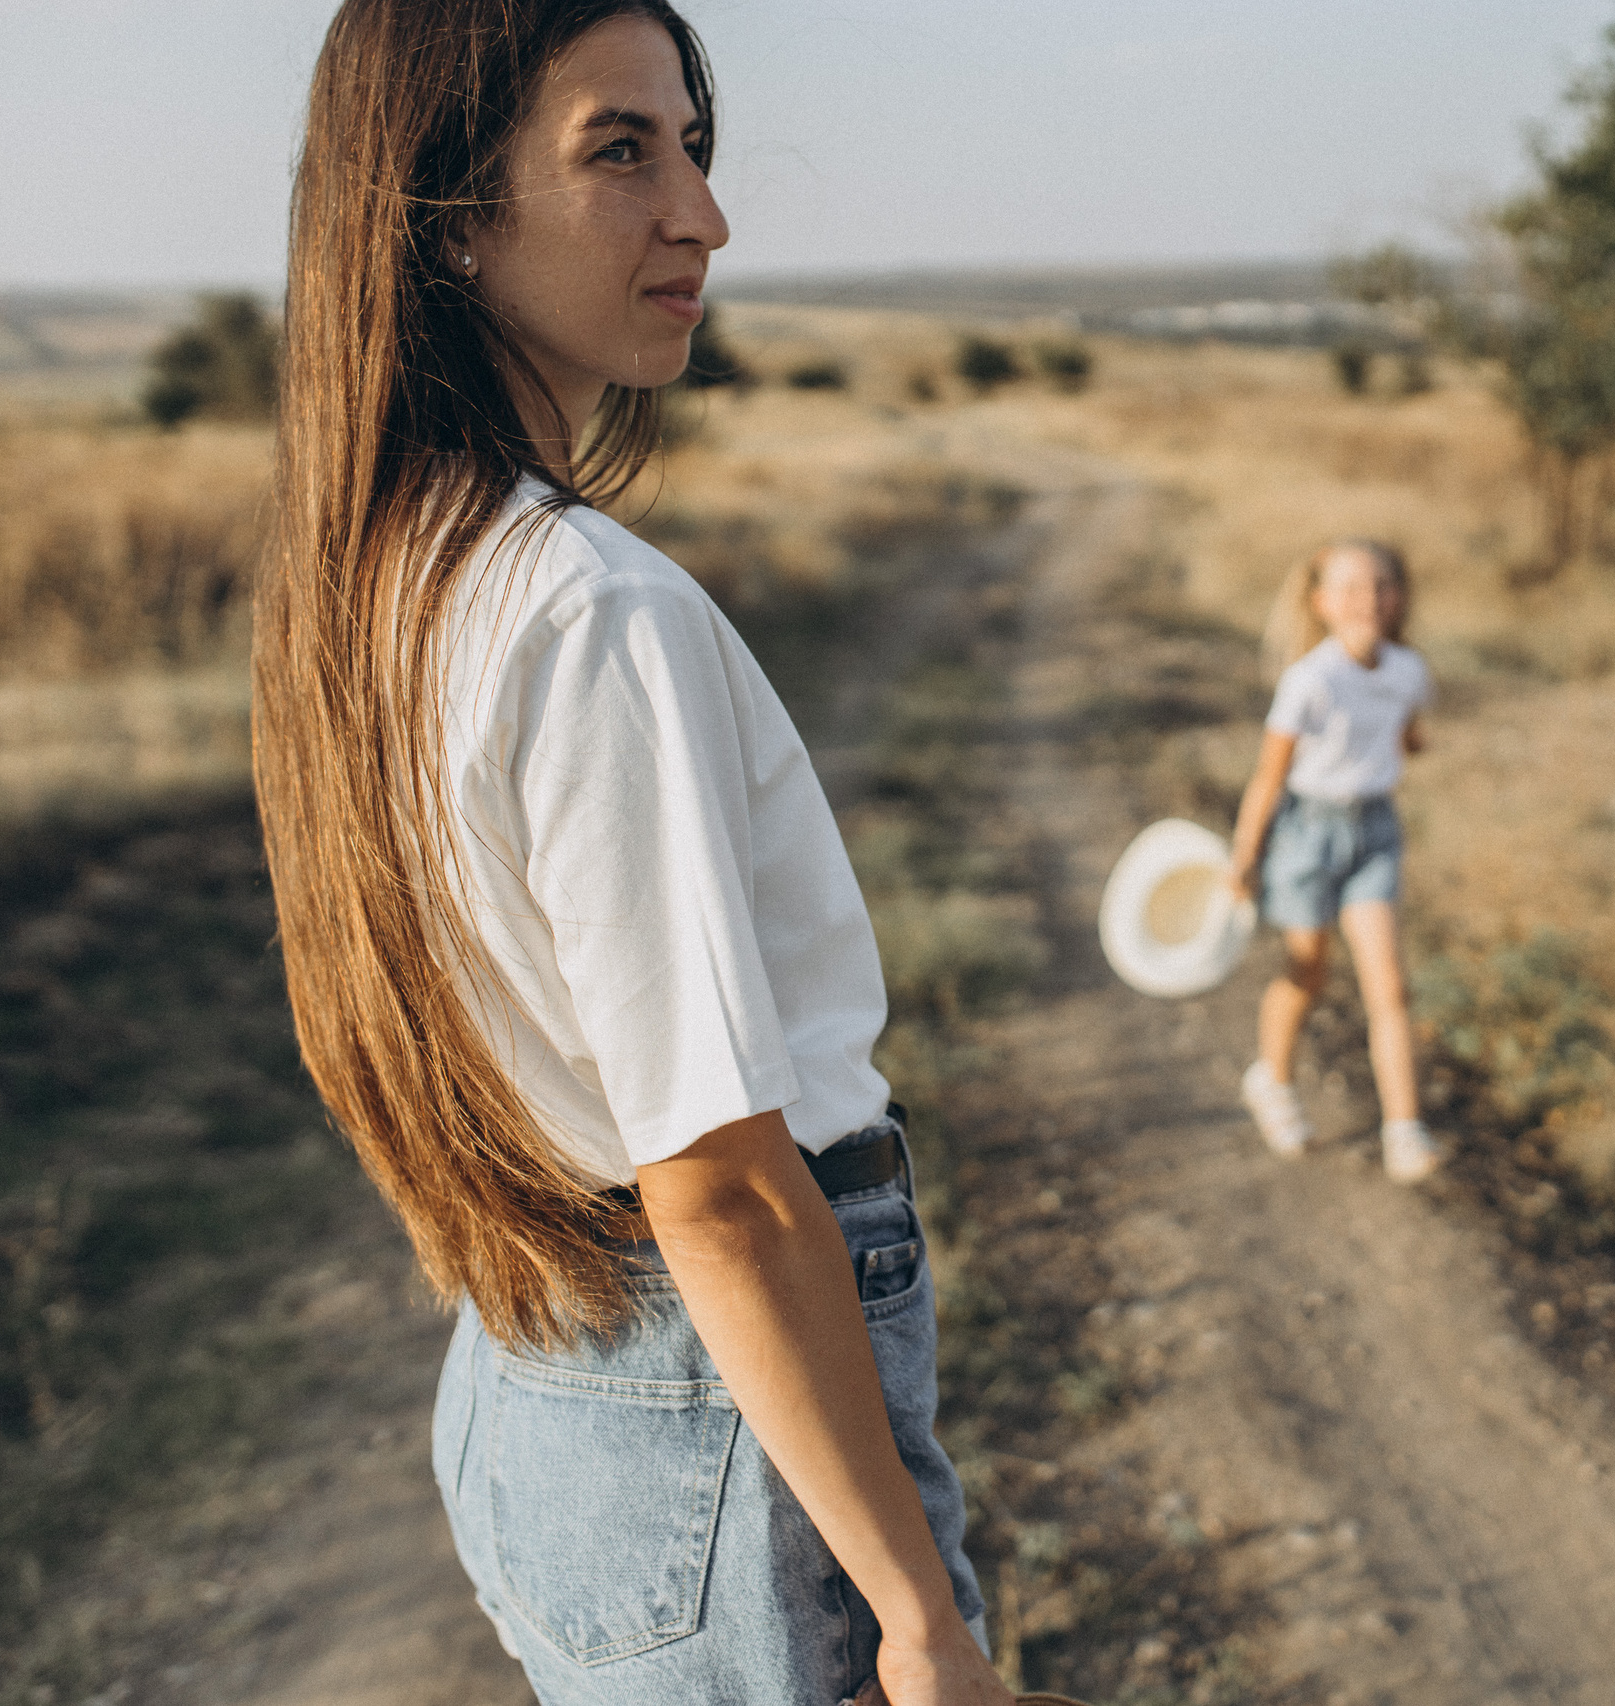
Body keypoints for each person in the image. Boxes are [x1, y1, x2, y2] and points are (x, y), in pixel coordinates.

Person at [251, 5, 1012, 1703]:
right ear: (447, 212)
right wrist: (921, 1620)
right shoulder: (587, 609)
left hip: (542, 1373)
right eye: (620, 151)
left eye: (693, 145)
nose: (704, 216)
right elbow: (730, 1193)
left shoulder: (376, 578)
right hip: (715, 1401)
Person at [1226, 541, 1446, 1183]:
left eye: (1380, 586)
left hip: (1375, 829)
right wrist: (1245, 857)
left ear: (1398, 596)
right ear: (1320, 603)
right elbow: (1269, 777)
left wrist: (1402, 744)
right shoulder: (1309, 681)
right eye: (1349, 588)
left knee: (1391, 986)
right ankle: (1271, 1078)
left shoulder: (1409, 671)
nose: (1368, 600)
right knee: (1309, 972)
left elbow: (1408, 732)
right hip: (1307, 833)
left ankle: (1404, 1129)